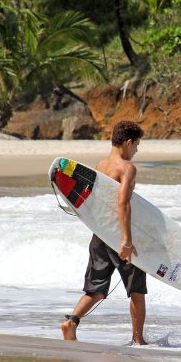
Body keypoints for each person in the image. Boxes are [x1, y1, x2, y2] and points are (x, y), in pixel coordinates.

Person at [61, 120, 147, 345]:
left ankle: (71, 322)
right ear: (128, 142)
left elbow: (91, 203)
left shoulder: (99, 166)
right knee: (137, 291)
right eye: (136, 145)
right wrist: (127, 240)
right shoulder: (127, 168)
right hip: (120, 237)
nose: (136, 150)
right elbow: (123, 204)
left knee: (96, 290)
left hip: (100, 235)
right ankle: (138, 340)